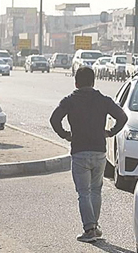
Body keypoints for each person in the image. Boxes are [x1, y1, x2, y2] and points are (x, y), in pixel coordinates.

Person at [50, 66, 127, 242]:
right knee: (96, 191)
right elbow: (122, 117)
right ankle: (95, 226)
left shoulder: (70, 100)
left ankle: (90, 229)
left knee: (84, 192)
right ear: (93, 82)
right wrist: (110, 132)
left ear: (76, 83)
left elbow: (54, 119)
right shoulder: (103, 100)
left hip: (79, 151)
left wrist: (65, 135)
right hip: (99, 151)